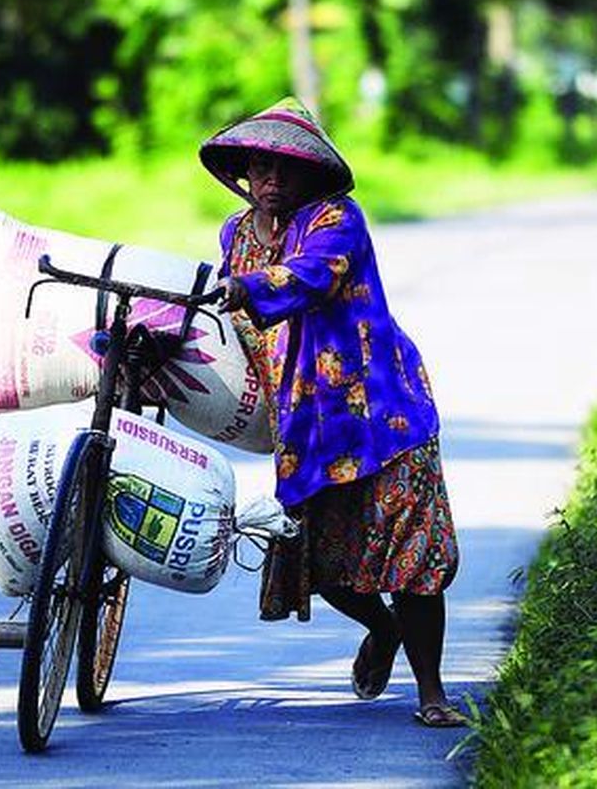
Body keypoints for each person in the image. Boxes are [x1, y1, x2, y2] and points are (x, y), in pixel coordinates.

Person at [199, 97, 464, 727]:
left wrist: (248, 287)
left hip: (383, 412)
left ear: (311, 173)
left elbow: (311, 276)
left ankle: (431, 694)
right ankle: (383, 629)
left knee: (413, 558)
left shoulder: (337, 219)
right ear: (244, 171)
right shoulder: (235, 236)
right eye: (260, 167)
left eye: (285, 168)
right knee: (316, 559)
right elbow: (235, 328)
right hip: (306, 423)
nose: (271, 179)